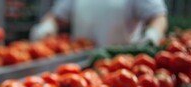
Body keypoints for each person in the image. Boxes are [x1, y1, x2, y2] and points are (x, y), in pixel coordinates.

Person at [30, 0, 168, 47]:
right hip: (80, 60)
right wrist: (47, 26)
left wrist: (152, 35)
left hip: (120, 65)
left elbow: (158, 17)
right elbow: (57, 16)